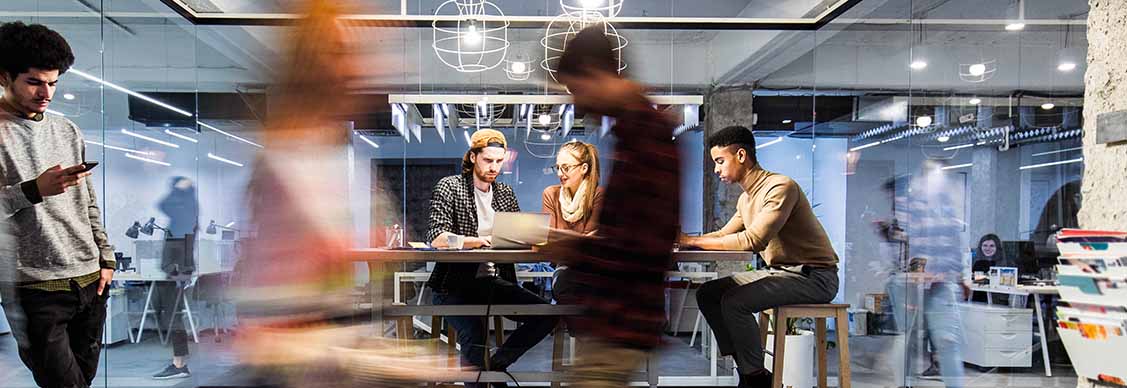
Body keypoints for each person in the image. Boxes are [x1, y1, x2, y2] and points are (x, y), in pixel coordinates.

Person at [546, 26, 681, 387]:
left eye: (576, 89)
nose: (576, 102)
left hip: (621, 321)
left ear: (594, 71)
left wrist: (573, 249)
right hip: (617, 319)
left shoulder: (644, 134)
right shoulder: (636, 130)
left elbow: (645, 245)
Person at [0, 21, 116, 388]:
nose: (45, 92)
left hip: (90, 281)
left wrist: (106, 257)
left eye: (53, 83)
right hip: (36, 289)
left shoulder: (67, 130)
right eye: (34, 82)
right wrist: (34, 189)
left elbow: (87, 202)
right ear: (5, 77)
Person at [680, 125, 839, 388]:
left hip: (815, 277)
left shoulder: (780, 187)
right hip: (781, 273)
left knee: (734, 302)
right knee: (708, 293)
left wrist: (691, 241)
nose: (716, 169)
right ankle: (748, 369)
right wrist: (685, 242)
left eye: (720, 161)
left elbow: (754, 240)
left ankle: (754, 378)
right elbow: (723, 234)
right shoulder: (746, 199)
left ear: (741, 155)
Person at [426, 128, 558, 388]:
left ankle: (495, 367)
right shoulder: (450, 186)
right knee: (475, 334)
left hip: (492, 283)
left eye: (499, 161)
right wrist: (474, 241)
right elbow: (436, 236)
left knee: (547, 314)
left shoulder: (505, 193)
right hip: (452, 285)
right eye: (488, 160)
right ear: (473, 157)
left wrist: (531, 238)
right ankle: (491, 378)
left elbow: (517, 237)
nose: (494, 167)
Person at [541, 141, 604, 306]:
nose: (560, 173)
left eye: (566, 168)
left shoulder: (598, 195)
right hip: (564, 267)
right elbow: (549, 238)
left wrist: (562, 239)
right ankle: (578, 331)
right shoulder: (551, 194)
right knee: (564, 286)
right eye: (558, 168)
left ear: (584, 168)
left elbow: (590, 242)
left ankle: (578, 331)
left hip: (593, 267)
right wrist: (579, 239)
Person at [152, 176, 199, 380]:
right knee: (168, 314)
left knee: (173, 317)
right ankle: (179, 360)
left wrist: (178, 190)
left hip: (177, 271)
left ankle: (179, 364)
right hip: (174, 271)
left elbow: (163, 203)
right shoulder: (182, 216)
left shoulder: (188, 213)